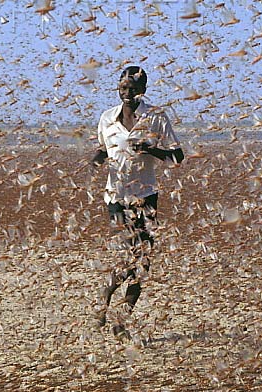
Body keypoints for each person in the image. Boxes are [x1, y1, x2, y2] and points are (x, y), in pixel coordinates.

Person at [91, 65, 184, 338]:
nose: (127, 94)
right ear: (118, 89)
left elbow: (177, 157)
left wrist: (150, 149)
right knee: (131, 253)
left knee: (142, 264)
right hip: (116, 197)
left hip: (145, 196)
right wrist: (95, 162)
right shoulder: (107, 118)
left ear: (143, 90)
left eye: (133, 89)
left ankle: (118, 318)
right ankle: (105, 300)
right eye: (123, 89)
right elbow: (101, 148)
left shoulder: (156, 118)